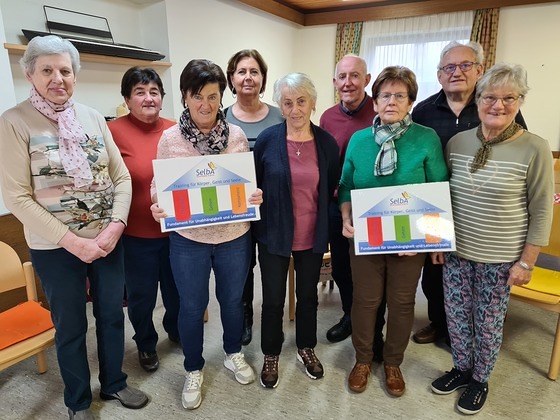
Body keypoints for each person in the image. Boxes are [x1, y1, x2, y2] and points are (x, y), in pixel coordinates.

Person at [0, 35, 148, 419]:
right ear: (30, 74)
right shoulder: (14, 122)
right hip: (55, 248)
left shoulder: (93, 117)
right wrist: (73, 241)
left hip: (107, 240)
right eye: (47, 70)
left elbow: (121, 177)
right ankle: (78, 400)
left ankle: (114, 383)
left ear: (75, 75)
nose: (57, 78)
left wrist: (116, 225)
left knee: (112, 315)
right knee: (70, 325)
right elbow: (17, 197)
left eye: (65, 70)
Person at [430, 63, 553, 415]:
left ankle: (480, 379)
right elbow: (443, 197)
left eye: (509, 98)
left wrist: (527, 262)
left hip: (501, 258)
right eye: (490, 97)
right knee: (456, 317)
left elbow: (542, 210)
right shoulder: (457, 143)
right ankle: (461, 368)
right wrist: (439, 242)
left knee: (487, 323)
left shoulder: (535, 148)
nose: (498, 105)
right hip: (457, 252)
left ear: (520, 101)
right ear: (478, 100)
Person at [149, 59, 262, 410]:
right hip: (188, 240)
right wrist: (157, 203)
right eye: (198, 96)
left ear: (221, 97)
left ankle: (232, 352)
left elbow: (245, 183)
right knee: (192, 305)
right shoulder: (170, 139)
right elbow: (157, 185)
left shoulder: (236, 135)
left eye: (213, 97)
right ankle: (193, 368)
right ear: (185, 96)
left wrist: (254, 195)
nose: (205, 105)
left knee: (232, 301)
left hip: (234, 236)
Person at [339, 66, 448, 397]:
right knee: (365, 300)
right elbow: (346, 185)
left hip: (409, 240)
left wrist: (431, 240)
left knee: (401, 303)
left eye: (400, 95)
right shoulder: (359, 140)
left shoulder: (426, 138)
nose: (391, 101)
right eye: (385, 95)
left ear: (411, 102)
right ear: (374, 102)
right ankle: (363, 359)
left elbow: (438, 189)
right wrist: (346, 217)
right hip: (366, 235)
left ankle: (392, 362)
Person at [411, 41, 527, 345]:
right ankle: (440, 324)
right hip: (436, 206)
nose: (457, 72)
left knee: (482, 278)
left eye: (465, 65)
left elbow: (520, 145)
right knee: (434, 274)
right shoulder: (423, 111)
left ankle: (476, 333)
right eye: (449, 67)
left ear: (479, 70)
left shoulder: (493, 105)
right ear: (439, 75)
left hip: (483, 209)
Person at [253, 73, 339, 389]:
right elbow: (255, 183)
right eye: (288, 102)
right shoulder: (266, 140)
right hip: (274, 234)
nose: (295, 109)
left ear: (313, 103)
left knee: (307, 297)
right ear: (280, 105)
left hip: (312, 235)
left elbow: (331, 186)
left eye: (301, 101)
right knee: (273, 300)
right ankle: (271, 353)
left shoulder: (326, 143)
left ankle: (306, 347)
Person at [108, 67, 180, 373]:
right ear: (126, 99)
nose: (148, 98)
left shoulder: (176, 129)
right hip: (135, 235)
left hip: (177, 232)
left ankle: (176, 329)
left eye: (154, 92)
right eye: (140, 92)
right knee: (141, 297)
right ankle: (146, 342)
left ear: (162, 97)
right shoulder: (112, 131)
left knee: (178, 292)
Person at [319, 54, 386, 358]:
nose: (348, 83)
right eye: (342, 77)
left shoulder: (380, 110)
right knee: (342, 267)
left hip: (373, 205)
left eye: (355, 76)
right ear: (335, 82)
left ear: (367, 79)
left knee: (373, 270)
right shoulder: (327, 118)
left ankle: (374, 327)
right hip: (337, 205)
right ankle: (350, 315)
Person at [224, 49, 284, 345]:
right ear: (231, 79)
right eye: (241, 71)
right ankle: (245, 315)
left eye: (254, 72)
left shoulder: (279, 116)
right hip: (237, 208)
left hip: (274, 206)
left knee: (272, 265)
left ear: (263, 78)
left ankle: (272, 318)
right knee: (242, 266)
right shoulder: (221, 118)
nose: (248, 77)